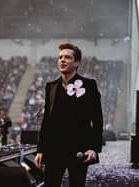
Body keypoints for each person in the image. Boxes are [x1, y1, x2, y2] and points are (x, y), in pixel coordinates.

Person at [34, 43, 103, 187]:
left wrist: (93, 148)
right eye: (60, 57)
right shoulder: (51, 86)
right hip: (54, 149)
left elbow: (97, 120)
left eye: (67, 57)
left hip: (78, 149)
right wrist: (40, 150)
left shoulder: (89, 85)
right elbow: (47, 120)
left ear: (76, 62)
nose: (62, 60)